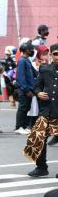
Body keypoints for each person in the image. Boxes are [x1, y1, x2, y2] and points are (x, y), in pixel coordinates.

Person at [24, 43, 58, 177]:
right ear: (51, 55)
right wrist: (38, 93)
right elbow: (36, 86)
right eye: (55, 54)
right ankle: (41, 167)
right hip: (47, 111)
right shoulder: (44, 69)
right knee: (37, 138)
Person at [15, 42, 37, 135]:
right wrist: (26, 89)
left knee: (27, 107)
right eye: (30, 49)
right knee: (23, 108)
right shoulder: (22, 61)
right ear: (25, 50)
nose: (32, 51)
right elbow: (21, 77)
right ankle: (19, 127)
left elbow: (34, 72)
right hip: (24, 89)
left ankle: (24, 126)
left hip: (29, 88)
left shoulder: (27, 60)